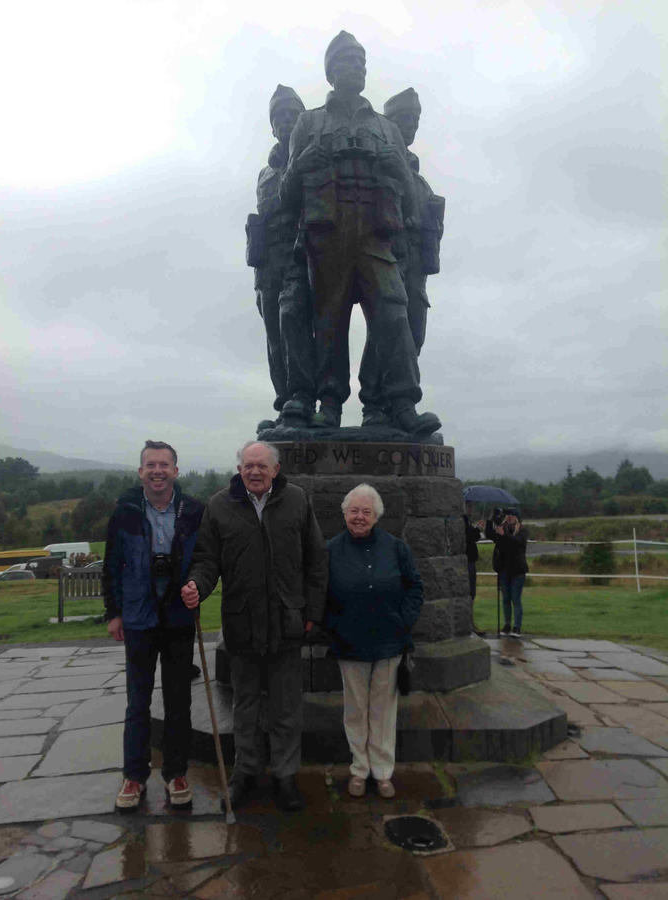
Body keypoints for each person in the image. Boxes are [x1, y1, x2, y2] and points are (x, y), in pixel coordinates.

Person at [280, 31, 440, 435]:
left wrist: (397, 166)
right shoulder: (309, 122)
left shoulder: (386, 129)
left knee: (393, 312)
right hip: (326, 236)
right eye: (349, 62)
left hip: (375, 235)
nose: (358, 69)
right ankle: (329, 404)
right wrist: (300, 166)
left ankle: (401, 402)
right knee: (328, 320)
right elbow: (285, 197)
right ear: (332, 71)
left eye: (363, 63)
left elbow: (410, 200)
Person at [181, 441, 327, 811]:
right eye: (248, 465)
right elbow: (206, 559)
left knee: (286, 707)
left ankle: (284, 776)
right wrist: (198, 584)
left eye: (261, 465)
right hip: (242, 624)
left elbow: (316, 558)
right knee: (244, 706)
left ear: (275, 469)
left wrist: (313, 609)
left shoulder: (297, 500)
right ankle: (244, 772)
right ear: (240, 468)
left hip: (287, 622)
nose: (255, 472)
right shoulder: (219, 506)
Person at [104, 440, 205, 812]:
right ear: (141, 471)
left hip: (179, 616)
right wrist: (113, 612)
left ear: (176, 471)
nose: (157, 471)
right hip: (139, 617)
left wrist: (198, 586)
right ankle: (134, 775)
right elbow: (111, 564)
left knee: (179, 699)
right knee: (137, 701)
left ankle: (176, 773)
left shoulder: (195, 510)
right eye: (151, 465)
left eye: (164, 465)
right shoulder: (125, 511)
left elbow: (205, 559)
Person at [324, 484, 423, 798]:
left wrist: (402, 621)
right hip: (349, 642)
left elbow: (414, 587)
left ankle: (382, 772)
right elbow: (319, 594)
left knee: (382, 711)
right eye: (354, 511)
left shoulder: (396, 548)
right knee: (355, 710)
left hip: (388, 642)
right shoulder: (330, 550)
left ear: (376, 515)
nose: (359, 517)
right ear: (344, 513)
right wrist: (334, 624)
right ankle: (359, 768)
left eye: (366, 512)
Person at [358, 87, 445, 425]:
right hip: (382, 258)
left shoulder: (419, 180)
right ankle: (377, 405)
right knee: (387, 330)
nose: (411, 126)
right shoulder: (377, 168)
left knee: (413, 334)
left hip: (415, 270)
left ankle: (394, 407)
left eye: (415, 120)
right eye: (404, 119)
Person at [246, 85, 316, 430]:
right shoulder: (265, 174)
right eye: (279, 117)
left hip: (299, 258)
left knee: (294, 322)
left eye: (292, 115)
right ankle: (284, 403)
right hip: (267, 265)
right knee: (274, 334)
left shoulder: (309, 160)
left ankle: (302, 399)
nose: (286, 122)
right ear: (272, 127)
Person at [486, 507, 528, 638]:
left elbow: (517, 542)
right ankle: (507, 624)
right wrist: (490, 520)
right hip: (504, 570)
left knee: (516, 599)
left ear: (517, 517)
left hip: (518, 571)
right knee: (506, 599)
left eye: (512, 515)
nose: (509, 517)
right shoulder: (501, 530)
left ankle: (517, 627)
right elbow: (489, 535)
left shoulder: (522, 531)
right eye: (507, 515)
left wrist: (504, 535)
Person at [463, 502, 486, 637]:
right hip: (467, 561)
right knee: (470, 593)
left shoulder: (466, 520)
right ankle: (470, 624)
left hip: (470, 560)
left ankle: (470, 623)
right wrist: (477, 529)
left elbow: (474, 537)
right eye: (468, 506)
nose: (471, 508)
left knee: (472, 593)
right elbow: (469, 536)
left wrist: (476, 529)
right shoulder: (463, 520)